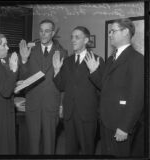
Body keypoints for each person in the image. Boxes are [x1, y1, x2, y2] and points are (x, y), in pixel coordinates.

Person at [84, 18, 144, 157]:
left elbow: (137, 97)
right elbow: (105, 87)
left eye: (113, 31)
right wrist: (94, 72)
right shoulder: (111, 59)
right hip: (106, 121)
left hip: (120, 124)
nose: (109, 34)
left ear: (126, 32)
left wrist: (125, 127)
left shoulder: (137, 60)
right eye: (109, 31)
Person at [53, 26, 104, 154]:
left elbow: (102, 87)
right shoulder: (67, 61)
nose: (73, 40)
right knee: (70, 150)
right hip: (69, 114)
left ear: (86, 40)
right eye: (72, 37)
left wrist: (94, 71)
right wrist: (56, 70)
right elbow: (61, 86)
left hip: (87, 115)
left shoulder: (97, 60)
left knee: (88, 150)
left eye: (77, 37)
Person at [19, 19, 67, 154]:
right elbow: (22, 77)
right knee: (33, 142)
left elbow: (63, 83)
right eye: (41, 31)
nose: (43, 34)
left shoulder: (62, 52)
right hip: (33, 103)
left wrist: (62, 105)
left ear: (52, 33)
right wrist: (23, 60)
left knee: (50, 142)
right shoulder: (30, 50)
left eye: (46, 31)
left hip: (51, 104)